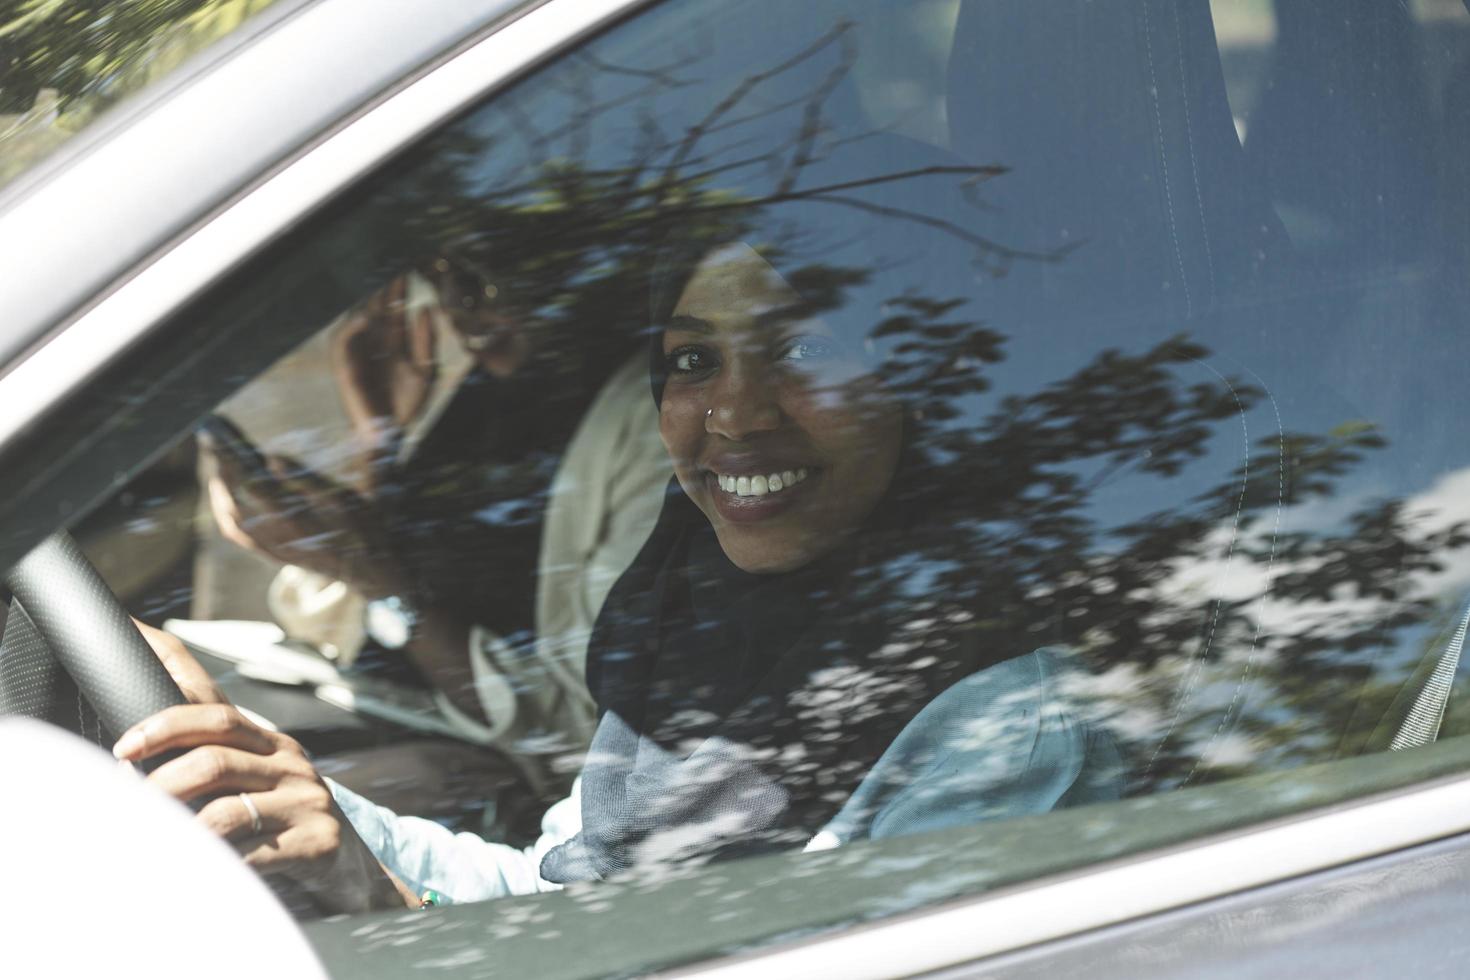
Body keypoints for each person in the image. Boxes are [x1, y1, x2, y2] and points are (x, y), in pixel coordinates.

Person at [117, 197, 1123, 913]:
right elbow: (560, 892)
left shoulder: (1001, 723)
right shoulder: (689, 617)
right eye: (691, 360)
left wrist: (385, 893)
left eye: (806, 350)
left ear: (919, 385)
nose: (730, 410)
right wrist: (304, 804)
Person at [205, 253, 669, 811]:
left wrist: (376, 582)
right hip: (359, 696)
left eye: (486, 282)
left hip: (482, 771)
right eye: (444, 281)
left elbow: (577, 735)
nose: (462, 311)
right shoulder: (500, 386)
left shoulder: (652, 427)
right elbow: (404, 571)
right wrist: (379, 443)